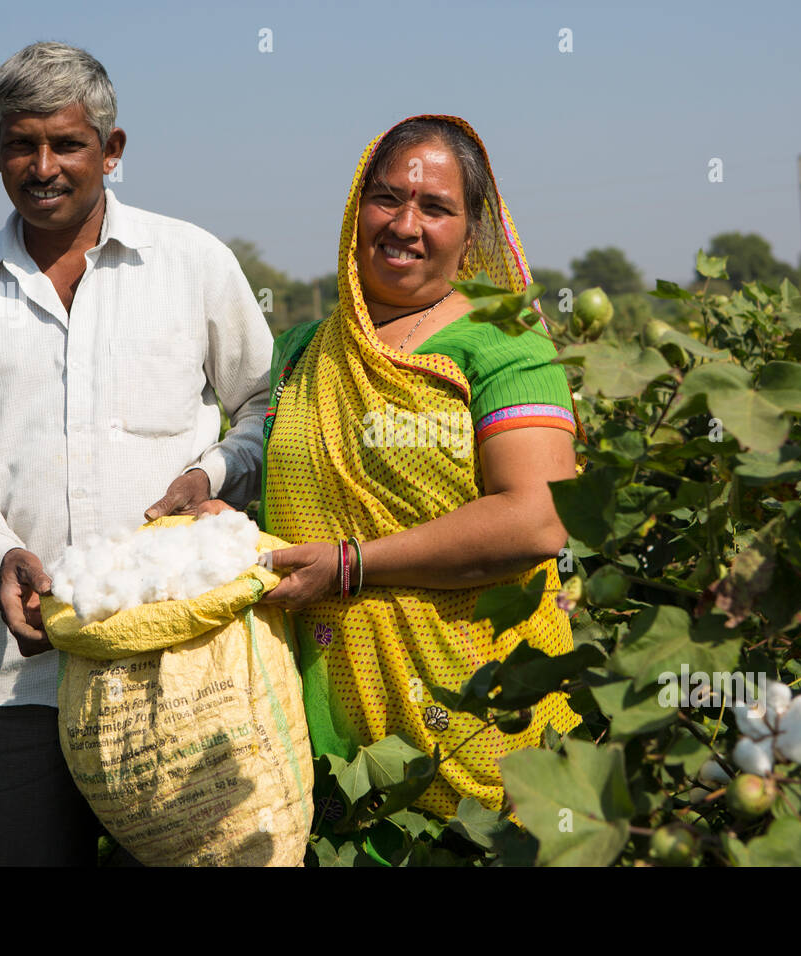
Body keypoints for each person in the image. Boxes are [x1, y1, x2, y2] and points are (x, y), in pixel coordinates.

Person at [0, 41, 273, 865]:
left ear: (113, 150)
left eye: (67, 143)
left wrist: (212, 474)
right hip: (17, 683)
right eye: (21, 144)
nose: (43, 166)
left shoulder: (192, 263)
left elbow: (266, 408)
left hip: (180, 669)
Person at [256, 115, 584, 822]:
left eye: (436, 208)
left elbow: (537, 518)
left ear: (472, 236)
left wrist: (352, 565)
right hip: (325, 752)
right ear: (355, 209)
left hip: (476, 727)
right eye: (386, 198)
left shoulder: (504, 346)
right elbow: (277, 493)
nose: (405, 224)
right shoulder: (301, 351)